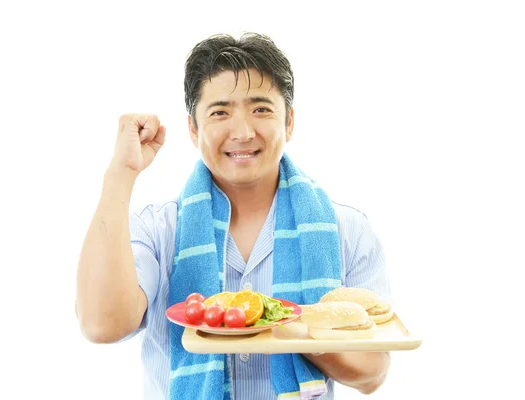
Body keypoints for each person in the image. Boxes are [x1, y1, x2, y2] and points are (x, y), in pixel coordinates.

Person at [76, 32, 392, 400]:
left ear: (289, 122)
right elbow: (101, 325)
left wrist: (295, 330)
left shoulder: (346, 230)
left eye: (261, 109)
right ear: (193, 129)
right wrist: (120, 176)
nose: (242, 132)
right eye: (220, 112)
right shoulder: (158, 229)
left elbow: (372, 372)